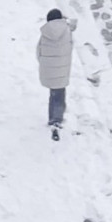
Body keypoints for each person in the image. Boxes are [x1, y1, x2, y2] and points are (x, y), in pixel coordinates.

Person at [36, 9, 75, 141]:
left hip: (49, 69)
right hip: (62, 70)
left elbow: (38, 51)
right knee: (59, 94)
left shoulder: (44, 34)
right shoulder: (67, 31)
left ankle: (53, 118)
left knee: (53, 92)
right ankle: (56, 120)